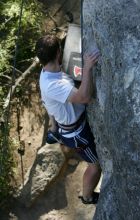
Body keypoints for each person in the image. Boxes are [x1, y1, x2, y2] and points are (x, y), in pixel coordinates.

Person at [35, 34, 101, 204]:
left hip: (72, 127)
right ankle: (87, 197)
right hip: (76, 133)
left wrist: (54, 126)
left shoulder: (49, 72)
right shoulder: (52, 84)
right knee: (95, 166)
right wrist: (87, 68)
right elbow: (84, 97)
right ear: (59, 52)